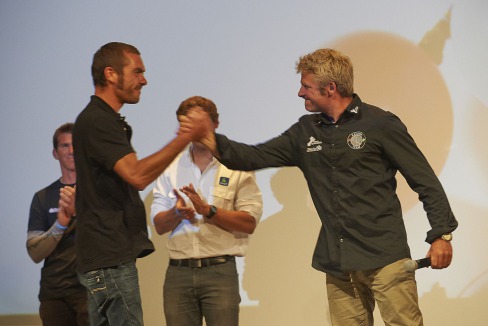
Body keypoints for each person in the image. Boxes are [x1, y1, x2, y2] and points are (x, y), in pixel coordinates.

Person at [185, 48, 459, 325]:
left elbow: (425, 181)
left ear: (330, 88)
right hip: (338, 264)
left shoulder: (380, 124)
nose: (300, 93)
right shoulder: (305, 131)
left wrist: (441, 235)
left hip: (386, 258)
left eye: (306, 86)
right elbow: (251, 156)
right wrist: (208, 137)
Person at [72, 42, 209, 326]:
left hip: (106, 257)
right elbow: (138, 176)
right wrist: (185, 137)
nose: (144, 80)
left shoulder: (105, 119)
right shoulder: (98, 120)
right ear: (110, 74)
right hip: (109, 257)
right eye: (137, 72)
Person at [150, 96, 263, 326]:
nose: (196, 132)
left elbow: (249, 223)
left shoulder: (236, 165)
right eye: (188, 126)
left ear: (215, 124)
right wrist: (177, 213)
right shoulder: (170, 167)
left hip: (219, 272)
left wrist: (209, 211)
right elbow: (159, 226)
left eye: (201, 125)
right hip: (177, 273)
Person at [27, 123, 88, 326]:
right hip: (54, 293)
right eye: (64, 146)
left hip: (91, 289)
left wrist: (81, 211)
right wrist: (60, 224)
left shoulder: (99, 192)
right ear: (55, 153)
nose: (71, 151)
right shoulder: (43, 197)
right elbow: (35, 253)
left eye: (76, 145)